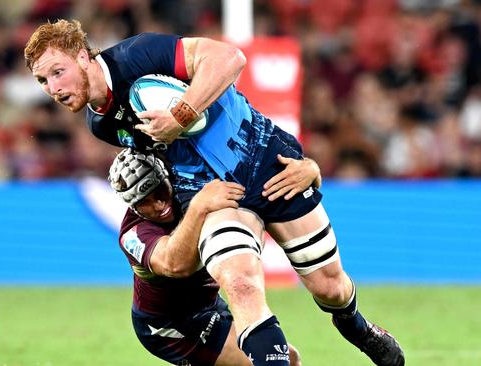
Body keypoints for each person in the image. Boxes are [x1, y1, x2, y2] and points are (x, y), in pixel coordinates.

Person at [24, 20, 405, 366]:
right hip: (211, 191)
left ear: (82, 57)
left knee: (329, 286)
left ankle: (357, 327)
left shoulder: (137, 54)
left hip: (265, 161)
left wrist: (181, 115)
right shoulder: (101, 125)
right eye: (44, 81)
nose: (54, 88)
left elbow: (228, 58)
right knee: (240, 282)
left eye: (58, 72)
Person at [109, 148, 312, 366]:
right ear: (133, 206)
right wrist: (198, 206)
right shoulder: (133, 234)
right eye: (144, 202)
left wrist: (308, 167)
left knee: (289, 359)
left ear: (166, 175)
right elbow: (175, 264)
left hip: (209, 304)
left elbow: (256, 171)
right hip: (169, 326)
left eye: (159, 191)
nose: (158, 205)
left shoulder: (186, 183)